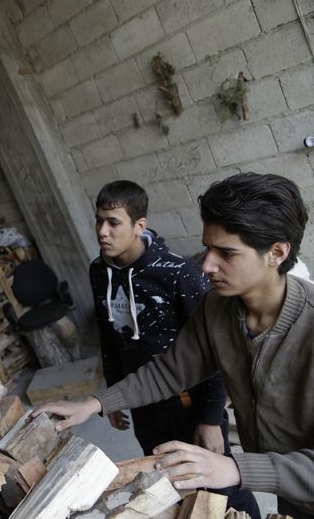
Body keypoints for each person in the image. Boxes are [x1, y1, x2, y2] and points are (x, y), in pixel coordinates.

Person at [36, 173, 313, 518]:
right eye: (208, 248)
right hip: (290, 493)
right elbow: (170, 370)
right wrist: (95, 403)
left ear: (277, 252)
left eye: (226, 253)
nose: (208, 265)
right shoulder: (218, 309)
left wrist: (235, 468)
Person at [90, 180, 258, 515]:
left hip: (188, 401)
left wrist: (210, 418)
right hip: (141, 400)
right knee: (168, 482)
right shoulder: (98, 272)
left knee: (220, 487)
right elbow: (109, 336)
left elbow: (217, 349)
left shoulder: (178, 273)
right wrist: (112, 395)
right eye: (98, 221)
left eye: (113, 222)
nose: (103, 232)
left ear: (140, 226)